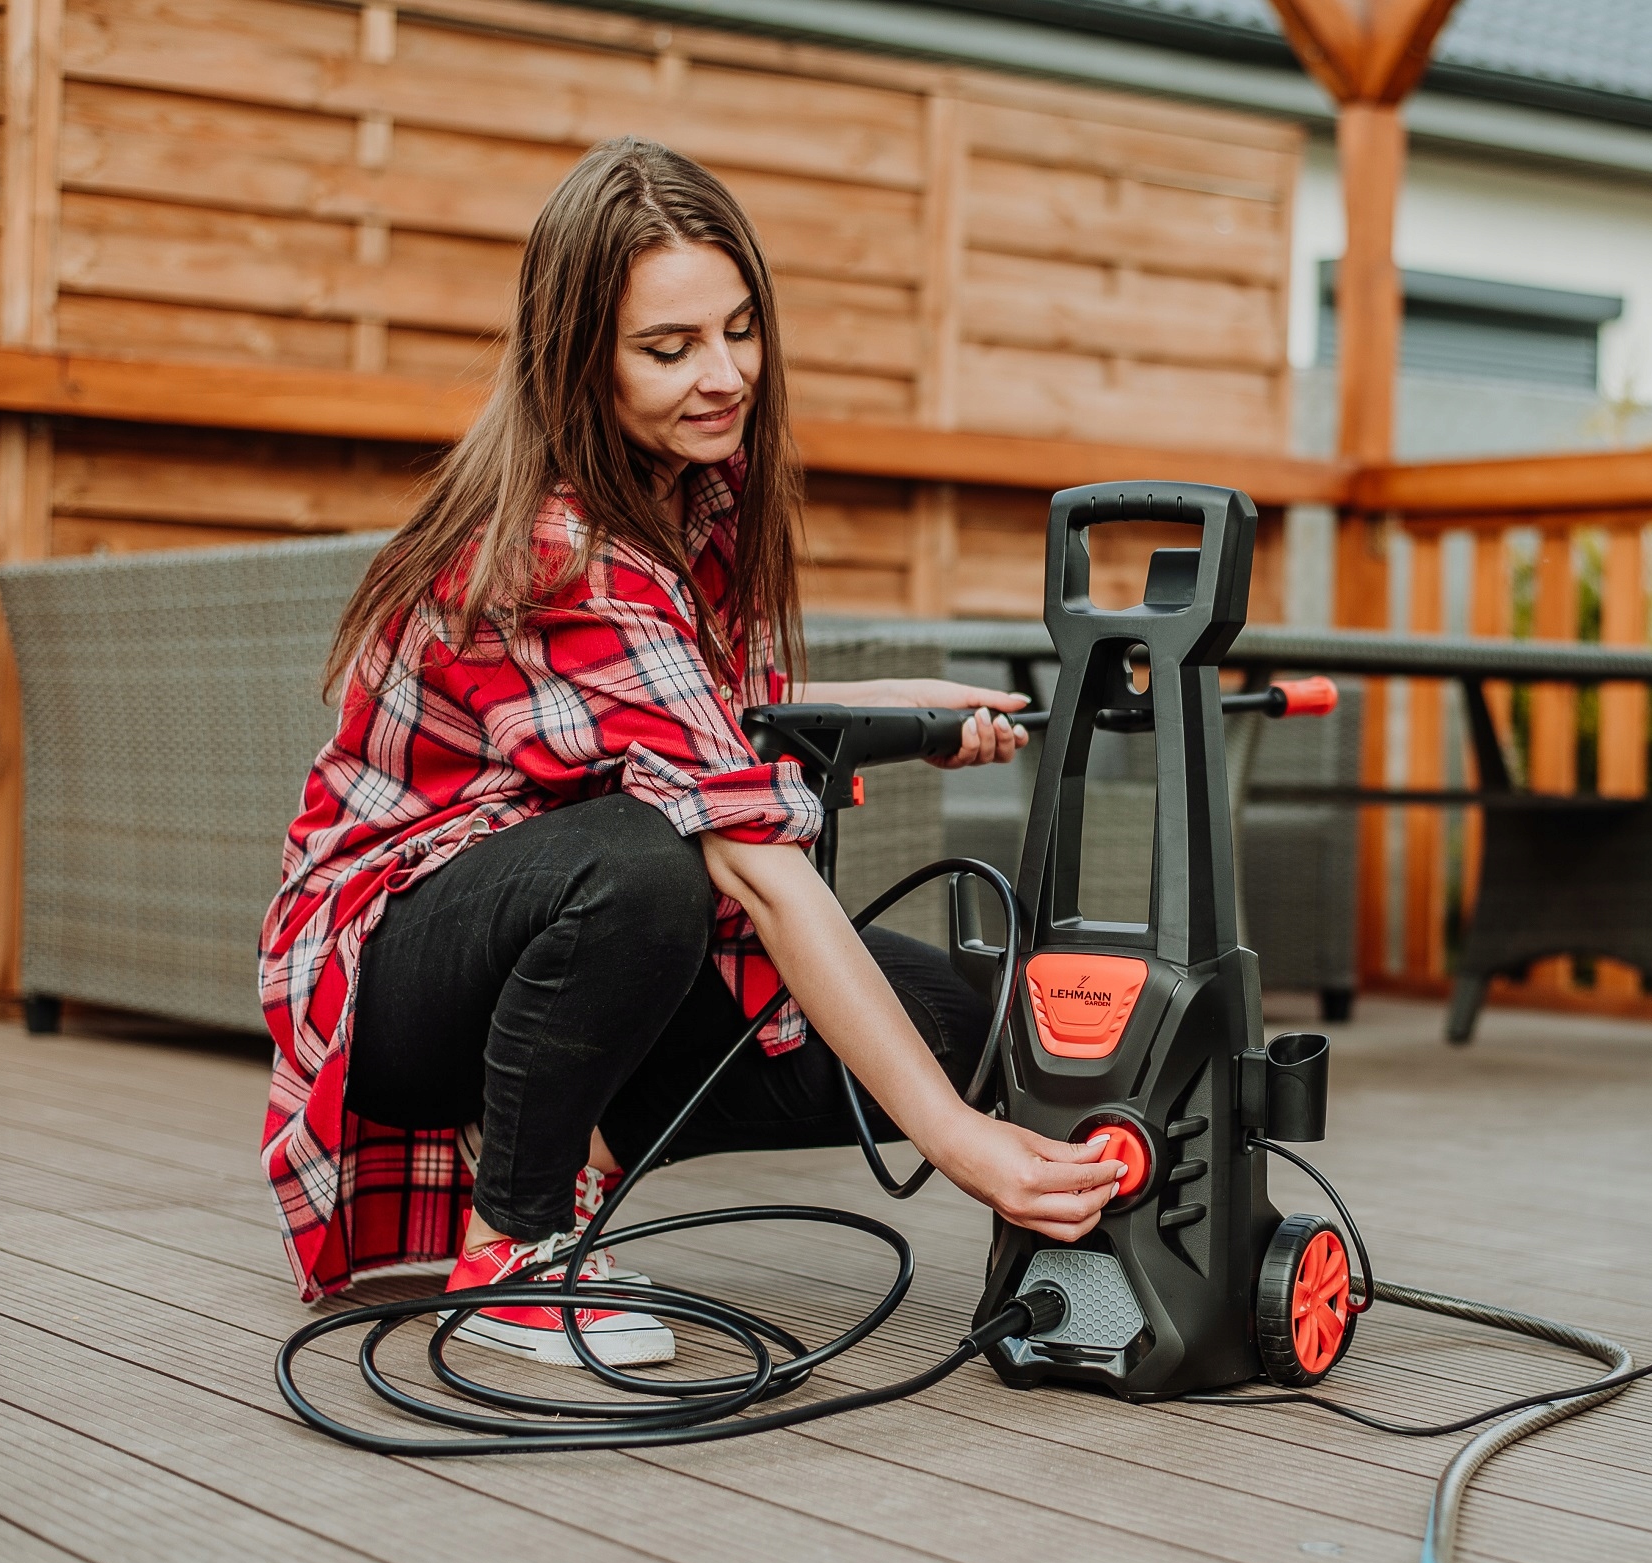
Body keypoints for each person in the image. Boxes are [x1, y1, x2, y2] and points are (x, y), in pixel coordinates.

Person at [258, 137, 1124, 1367]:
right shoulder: (557, 550)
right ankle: (511, 1250)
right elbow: (756, 857)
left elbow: (720, 720)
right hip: (395, 975)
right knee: (647, 866)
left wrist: (916, 711)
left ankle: (564, 1157)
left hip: (555, 916)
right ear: (578, 360)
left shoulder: (691, 494)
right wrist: (954, 1141)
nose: (722, 376)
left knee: (962, 1018)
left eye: (739, 330)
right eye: (669, 350)